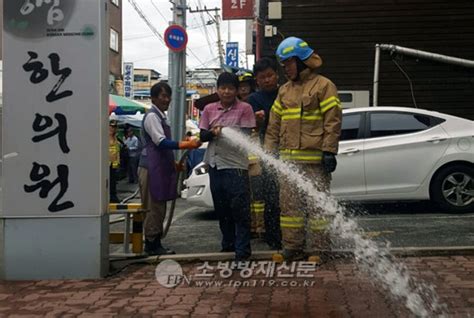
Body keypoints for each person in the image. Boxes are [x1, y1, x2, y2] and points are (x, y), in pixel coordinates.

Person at [264, 37, 342, 263]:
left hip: (315, 162)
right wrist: (269, 153)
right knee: (290, 209)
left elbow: (333, 121)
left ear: (301, 61)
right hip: (288, 163)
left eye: (288, 63)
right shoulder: (284, 91)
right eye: (283, 64)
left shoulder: (324, 86)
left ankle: (319, 249)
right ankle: (292, 247)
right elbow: (273, 126)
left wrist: (329, 151)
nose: (285, 68)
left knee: (317, 208)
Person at [199, 72, 256, 262]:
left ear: (237, 90)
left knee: (240, 210)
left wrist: (224, 130)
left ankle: (242, 252)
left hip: (236, 166)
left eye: (230, 88)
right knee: (222, 210)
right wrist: (212, 133)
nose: (226, 91)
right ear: (217, 89)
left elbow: (246, 136)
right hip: (215, 165)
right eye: (223, 88)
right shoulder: (208, 109)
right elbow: (202, 135)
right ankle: (228, 244)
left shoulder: (245, 109)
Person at [138, 82, 201, 255]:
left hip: (159, 167)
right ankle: (151, 244)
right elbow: (160, 142)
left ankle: (155, 240)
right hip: (151, 168)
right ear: (153, 98)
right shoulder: (152, 116)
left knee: (159, 204)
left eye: (168, 96)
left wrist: (173, 164)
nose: (166, 99)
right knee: (153, 205)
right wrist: (186, 144)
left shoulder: (161, 117)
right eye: (162, 96)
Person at [247, 57, 282, 250]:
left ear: (277, 75)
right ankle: (272, 236)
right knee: (271, 195)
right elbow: (250, 128)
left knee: (288, 197)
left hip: (290, 150)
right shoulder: (253, 100)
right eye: (262, 77)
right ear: (257, 81)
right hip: (268, 153)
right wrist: (257, 121)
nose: (267, 80)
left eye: (270, 75)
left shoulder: (286, 93)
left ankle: (291, 236)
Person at [108, 119, 121, 203]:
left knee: (113, 181)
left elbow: (117, 150)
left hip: (113, 163)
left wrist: (118, 161)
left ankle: (113, 196)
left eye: (115, 127)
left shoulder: (115, 138)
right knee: (107, 181)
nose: (113, 128)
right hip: (106, 163)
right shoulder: (105, 136)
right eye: (112, 126)